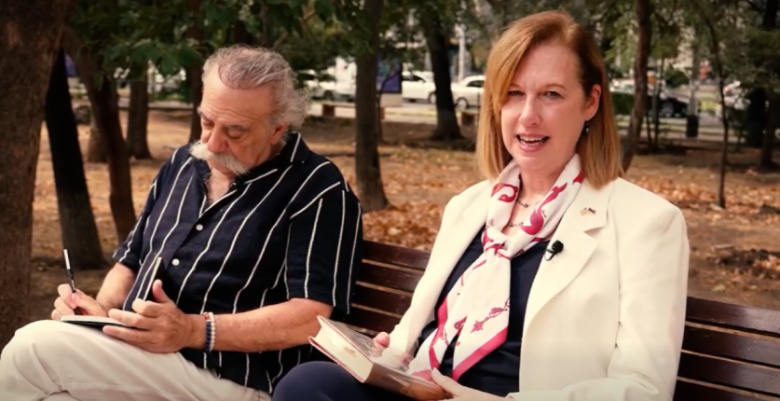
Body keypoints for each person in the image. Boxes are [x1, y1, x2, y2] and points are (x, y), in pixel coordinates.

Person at [272, 9, 689, 401]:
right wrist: (390, 356)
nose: (528, 115)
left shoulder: (646, 223)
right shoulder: (470, 206)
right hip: (423, 390)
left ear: (591, 102)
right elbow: (414, 334)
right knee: (308, 383)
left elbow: (643, 388)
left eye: (551, 94)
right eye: (513, 93)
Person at [0, 45, 363, 401]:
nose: (213, 143)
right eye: (207, 122)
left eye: (235, 132)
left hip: (235, 379)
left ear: (276, 129)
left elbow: (311, 317)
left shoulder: (318, 189)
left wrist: (192, 330)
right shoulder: (183, 164)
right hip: (143, 356)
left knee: (33, 347)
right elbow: (130, 262)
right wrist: (98, 314)